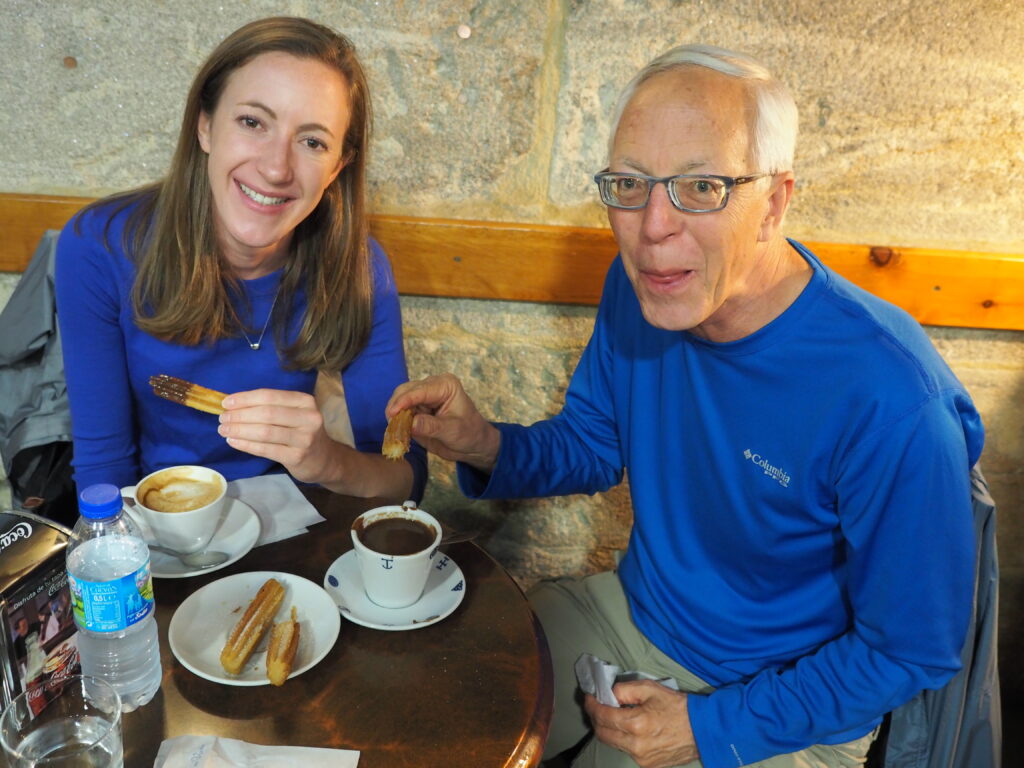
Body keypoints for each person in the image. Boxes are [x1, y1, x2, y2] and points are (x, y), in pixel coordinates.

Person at [386, 44, 983, 768]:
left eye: (702, 186)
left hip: (786, 701)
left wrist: (708, 728)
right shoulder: (642, 287)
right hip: (629, 613)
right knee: (429, 709)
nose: (653, 226)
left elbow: (914, 650)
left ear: (775, 202)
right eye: (629, 185)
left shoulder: (891, 398)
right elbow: (594, 443)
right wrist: (486, 444)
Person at [55, 17, 426, 503]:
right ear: (204, 125)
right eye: (253, 122)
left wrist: (326, 461)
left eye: (312, 142)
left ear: (337, 166)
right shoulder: (98, 246)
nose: (275, 168)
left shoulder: (358, 268)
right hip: (150, 522)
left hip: (292, 528)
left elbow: (405, 477)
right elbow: (104, 471)